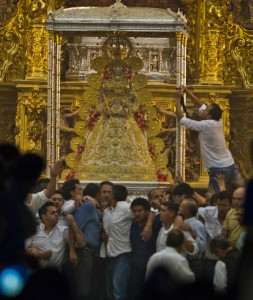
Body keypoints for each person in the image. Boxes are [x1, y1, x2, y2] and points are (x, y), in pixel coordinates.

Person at [176, 87, 242, 192]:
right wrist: (188, 92)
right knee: (240, 191)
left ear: (209, 115)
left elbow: (181, 119)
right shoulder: (218, 120)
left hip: (218, 169)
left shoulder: (206, 125)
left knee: (215, 197)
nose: (203, 109)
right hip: (231, 165)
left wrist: (177, 100)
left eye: (206, 110)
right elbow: (200, 105)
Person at [62, 179, 100, 300]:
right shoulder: (86, 205)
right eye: (79, 189)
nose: (82, 191)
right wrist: (72, 251)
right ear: (72, 193)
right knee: (83, 290)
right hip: (83, 251)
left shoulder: (80, 204)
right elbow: (74, 227)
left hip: (84, 251)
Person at [26, 202, 85, 270]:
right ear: (44, 216)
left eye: (56, 212)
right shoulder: (34, 232)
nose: (57, 214)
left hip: (55, 276)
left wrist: (73, 223)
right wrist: (33, 251)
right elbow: (21, 251)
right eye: (53, 213)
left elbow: (81, 244)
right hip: (35, 275)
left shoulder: (63, 231)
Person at [129, 198, 162, 300]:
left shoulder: (155, 223)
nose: (137, 214)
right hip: (136, 266)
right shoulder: (132, 224)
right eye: (134, 211)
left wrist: (149, 223)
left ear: (146, 212)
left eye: (140, 211)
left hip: (151, 267)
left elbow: (171, 214)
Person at [198, 191, 232, 282]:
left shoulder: (235, 218)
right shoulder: (209, 211)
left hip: (228, 262)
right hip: (210, 261)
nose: (220, 208)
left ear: (231, 206)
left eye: (224, 205)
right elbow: (194, 210)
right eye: (219, 205)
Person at [179, 199, 207, 279]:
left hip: (194, 263)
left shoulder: (198, 225)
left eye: (181, 206)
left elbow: (203, 247)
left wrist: (192, 233)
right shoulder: (180, 222)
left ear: (187, 211)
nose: (179, 208)